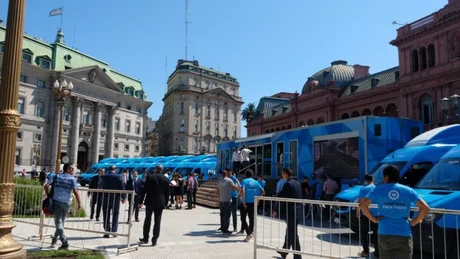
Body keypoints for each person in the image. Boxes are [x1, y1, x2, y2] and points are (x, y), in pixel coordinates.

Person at [359, 165, 430, 259]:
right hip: (404, 233)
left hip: (385, 232)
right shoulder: (408, 190)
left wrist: (374, 219)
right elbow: (425, 208)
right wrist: (414, 222)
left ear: (386, 177)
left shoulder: (378, 189)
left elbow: (363, 205)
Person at [44, 163, 81, 250]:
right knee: (61, 222)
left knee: (59, 223)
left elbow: (46, 186)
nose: (73, 170)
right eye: (71, 168)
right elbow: (76, 191)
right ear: (67, 169)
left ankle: (64, 242)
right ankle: (55, 239)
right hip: (67, 202)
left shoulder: (56, 176)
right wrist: (79, 203)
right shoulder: (72, 179)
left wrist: (48, 195)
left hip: (57, 201)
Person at [273, 168, 303, 259]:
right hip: (298, 211)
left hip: (291, 212)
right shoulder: (297, 183)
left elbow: (282, 199)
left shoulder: (287, 184)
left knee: (293, 233)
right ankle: (284, 251)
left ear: (285, 174)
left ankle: (297, 256)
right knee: (289, 231)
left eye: (282, 174)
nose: (282, 176)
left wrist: (276, 210)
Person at [139, 165, 170, 246]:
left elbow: (144, 190)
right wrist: (165, 204)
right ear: (162, 170)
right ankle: (154, 240)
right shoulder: (166, 179)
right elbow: (167, 193)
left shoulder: (150, 177)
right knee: (157, 221)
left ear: (156, 169)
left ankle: (146, 238)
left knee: (147, 220)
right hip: (160, 202)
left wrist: (140, 201)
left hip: (150, 201)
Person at [356, 174, 379, 258]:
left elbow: (361, 201)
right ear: (373, 179)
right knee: (376, 234)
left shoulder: (363, 188)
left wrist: (358, 210)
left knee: (364, 233)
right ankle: (377, 252)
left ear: (365, 180)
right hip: (376, 214)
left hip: (365, 213)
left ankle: (365, 251)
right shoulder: (377, 188)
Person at [101, 165, 126, 238]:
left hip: (106, 198)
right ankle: (114, 231)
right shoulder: (119, 176)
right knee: (115, 213)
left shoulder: (104, 177)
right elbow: (122, 187)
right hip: (116, 198)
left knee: (106, 214)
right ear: (115, 170)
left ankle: (107, 231)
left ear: (109, 169)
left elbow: (101, 187)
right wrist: (123, 197)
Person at [240, 169, 265, 242]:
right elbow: (263, 191)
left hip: (246, 202)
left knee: (243, 218)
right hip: (253, 202)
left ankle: (248, 233)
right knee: (252, 219)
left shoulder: (244, 181)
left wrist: (243, 201)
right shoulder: (256, 182)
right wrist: (258, 199)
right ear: (252, 175)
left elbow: (242, 190)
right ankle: (250, 232)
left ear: (245, 175)